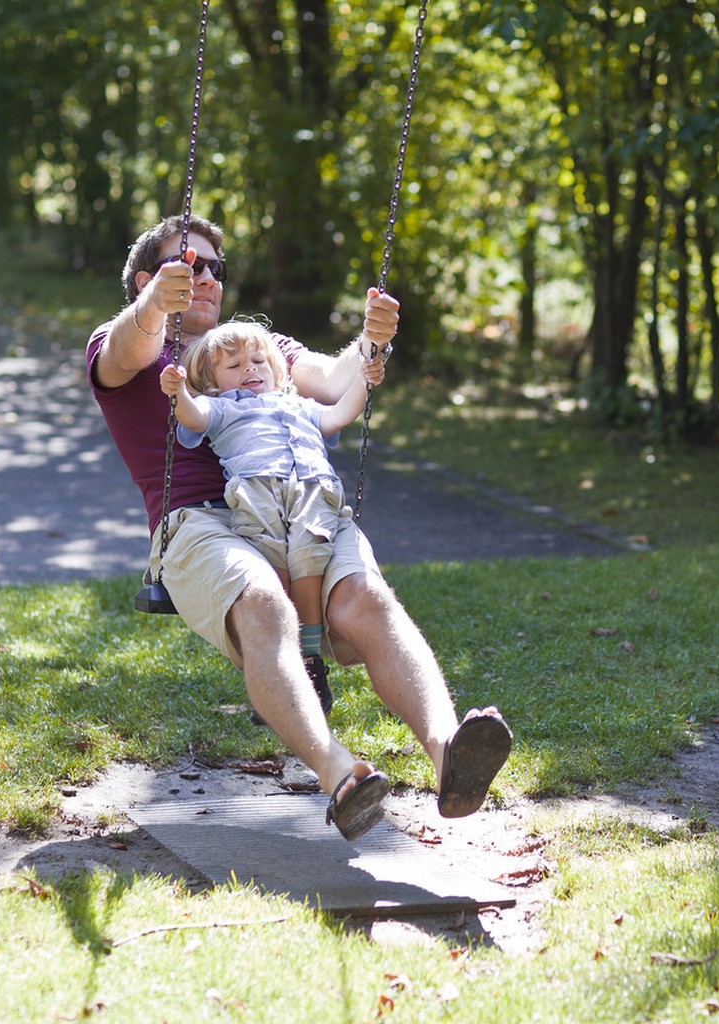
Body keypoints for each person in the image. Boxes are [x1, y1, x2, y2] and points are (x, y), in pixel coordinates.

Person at [88, 214, 512, 841]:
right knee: (264, 602)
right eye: (190, 265)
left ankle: (450, 751)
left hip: (304, 508)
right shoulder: (129, 345)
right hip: (201, 526)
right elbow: (130, 346)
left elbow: (335, 379)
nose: (206, 278)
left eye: (215, 269)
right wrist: (154, 305)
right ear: (151, 278)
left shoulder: (259, 350)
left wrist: (369, 344)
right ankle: (341, 776)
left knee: (366, 598)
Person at [159, 318, 386, 713]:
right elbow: (193, 417)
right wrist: (178, 392)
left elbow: (338, 415)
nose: (249, 369)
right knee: (274, 571)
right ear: (213, 382)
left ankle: (310, 659)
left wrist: (364, 383)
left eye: (258, 361)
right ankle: (280, 663)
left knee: (310, 562)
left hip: (313, 489)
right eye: (234, 366)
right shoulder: (222, 407)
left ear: (276, 368)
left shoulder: (299, 405)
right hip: (257, 492)